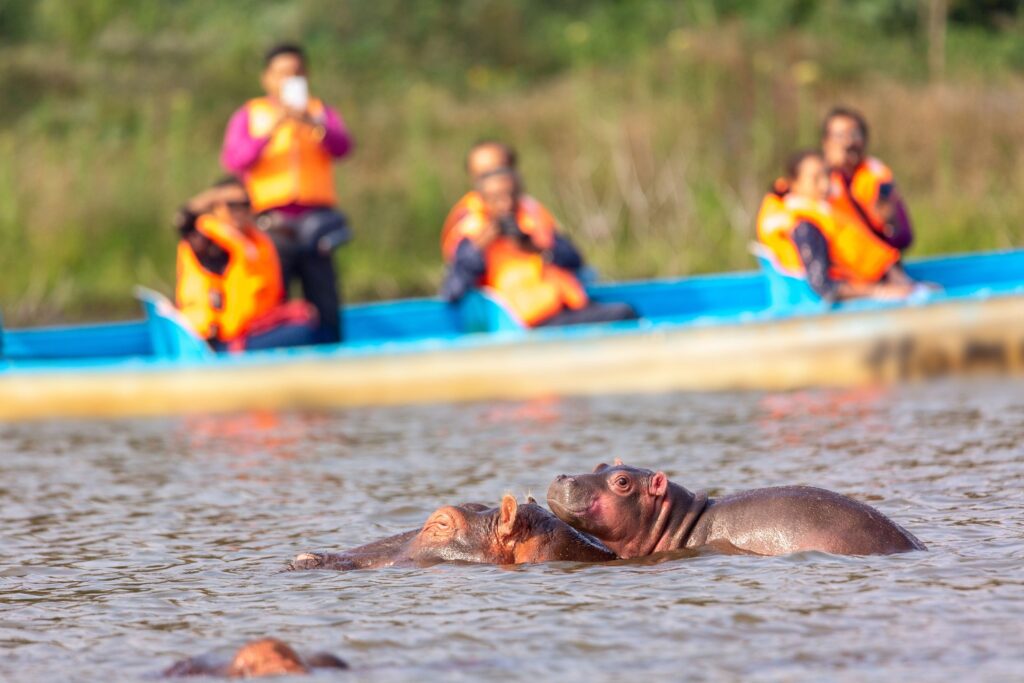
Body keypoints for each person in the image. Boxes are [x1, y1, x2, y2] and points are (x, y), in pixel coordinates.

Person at [220, 43, 353, 344]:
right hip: (270, 223)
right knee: (271, 300)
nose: (288, 80)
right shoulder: (251, 115)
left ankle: (331, 355)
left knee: (324, 300)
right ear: (267, 78)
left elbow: (344, 147)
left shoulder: (319, 112)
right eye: (282, 74)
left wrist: (312, 124)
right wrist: (271, 129)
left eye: (296, 74)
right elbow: (234, 160)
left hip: (316, 223)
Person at [441, 167, 637, 327]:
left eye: (511, 196)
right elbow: (452, 291)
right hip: (527, 324)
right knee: (622, 314)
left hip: (567, 308)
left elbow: (576, 260)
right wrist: (478, 249)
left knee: (625, 311)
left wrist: (536, 248)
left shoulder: (532, 225)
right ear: (483, 201)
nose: (506, 204)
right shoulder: (472, 238)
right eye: (497, 198)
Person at [174, 179, 319, 352]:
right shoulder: (210, 245)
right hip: (218, 342)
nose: (240, 212)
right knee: (301, 333)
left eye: (245, 205)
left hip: (253, 331)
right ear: (216, 207)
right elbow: (183, 222)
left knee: (306, 319)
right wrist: (210, 197)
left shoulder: (257, 243)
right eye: (232, 205)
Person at [756, 150, 914, 302]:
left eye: (827, 175)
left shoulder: (828, 212)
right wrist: (879, 292)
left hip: (876, 285)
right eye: (816, 179)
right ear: (794, 184)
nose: (825, 185)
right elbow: (824, 287)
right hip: (827, 307)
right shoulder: (805, 227)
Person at [440, 140, 584, 275]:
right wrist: (477, 248)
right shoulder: (466, 219)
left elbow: (573, 259)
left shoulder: (532, 211)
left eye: (499, 169)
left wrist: (536, 248)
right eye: (484, 174)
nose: (495, 178)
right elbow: (454, 278)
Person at [821, 107, 913, 252]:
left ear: (865, 140)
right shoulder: (815, 177)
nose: (848, 143)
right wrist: (829, 169)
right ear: (826, 142)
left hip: (876, 266)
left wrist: (890, 221)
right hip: (836, 266)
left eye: (854, 134)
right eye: (839, 136)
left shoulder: (878, 177)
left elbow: (905, 239)